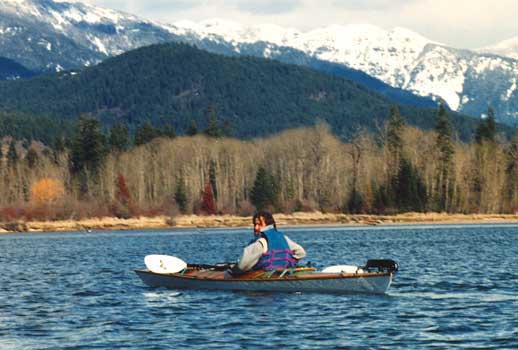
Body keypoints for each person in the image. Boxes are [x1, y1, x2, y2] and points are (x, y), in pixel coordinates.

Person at [226, 211, 306, 277]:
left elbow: (242, 265)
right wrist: (288, 262)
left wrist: (233, 270)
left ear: (268, 225)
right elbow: (301, 253)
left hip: (266, 275)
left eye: (259, 224)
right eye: (255, 224)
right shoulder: (284, 237)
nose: (256, 228)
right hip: (283, 273)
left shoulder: (261, 242)